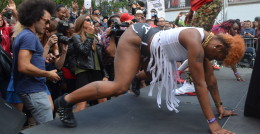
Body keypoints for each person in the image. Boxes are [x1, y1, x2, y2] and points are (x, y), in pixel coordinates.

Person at [55, 23, 245, 134]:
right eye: (217, 58)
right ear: (218, 47)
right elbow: (200, 83)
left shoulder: (206, 42)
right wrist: (213, 125)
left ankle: (137, 78)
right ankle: (65, 101)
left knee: (160, 73)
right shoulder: (195, 42)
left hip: (154, 48)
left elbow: (210, 78)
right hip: (136, 39)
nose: (213, 60)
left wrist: (220, 107)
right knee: (119, 86)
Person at [166, 0, 223, 95]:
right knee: (198, 41)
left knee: (195, 41)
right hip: (204, 3)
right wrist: (192, 10)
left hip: (210, 0)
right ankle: (200, 80)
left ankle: (192, 83)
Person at [12, 0, 60, 125]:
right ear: (34, 18)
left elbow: (29, 62)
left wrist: (43, 61)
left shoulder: (27, 35)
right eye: (46, 21)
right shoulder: (28, 37)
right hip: (32, 90)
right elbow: (23, 66)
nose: (48, 25)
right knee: (47, 129)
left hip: (34, 88)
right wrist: (47, 74)